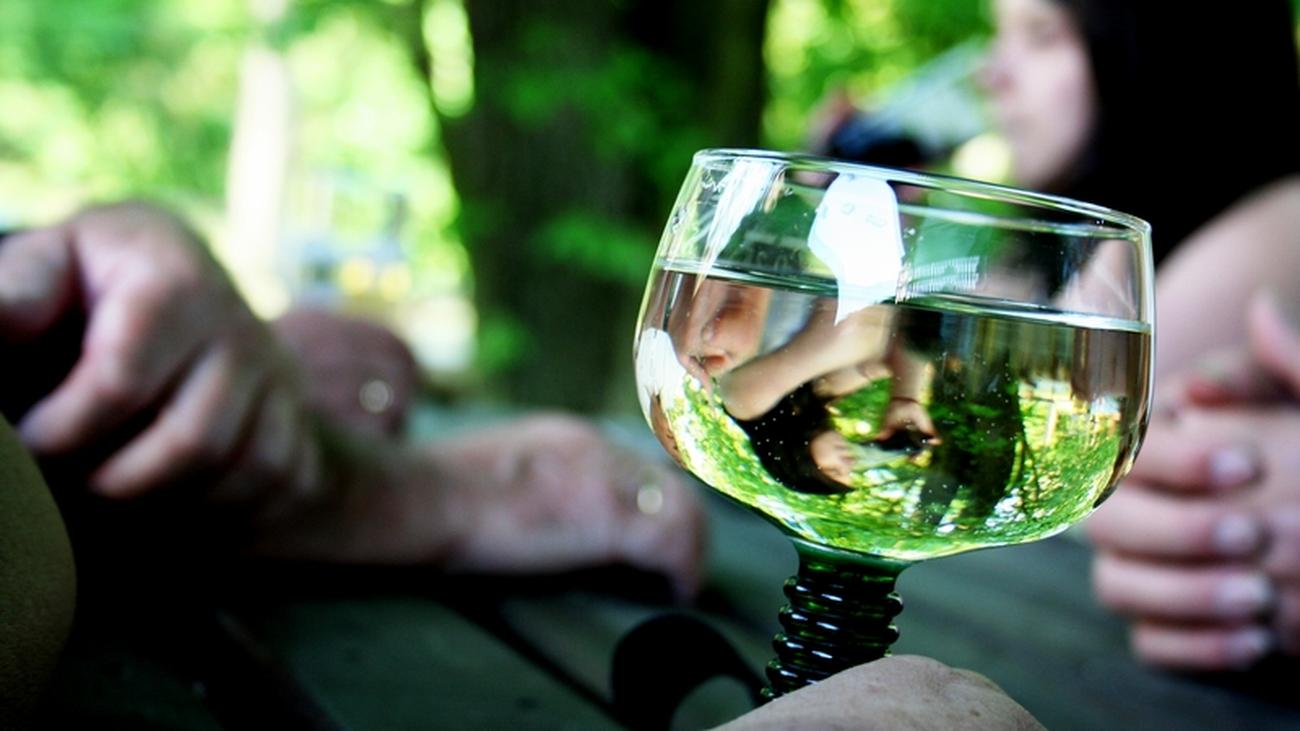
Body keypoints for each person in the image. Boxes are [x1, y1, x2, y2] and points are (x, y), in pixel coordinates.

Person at [975, 0, 1300, 669]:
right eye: (997, 36)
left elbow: (1014, 458)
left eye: (1042, 36)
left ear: (1170, 54)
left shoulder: (1278, 226)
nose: (993, 74)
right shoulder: (1080, 242)